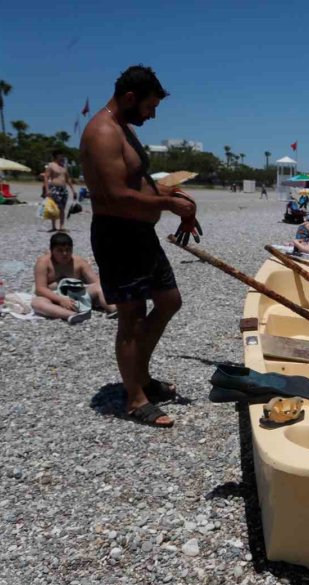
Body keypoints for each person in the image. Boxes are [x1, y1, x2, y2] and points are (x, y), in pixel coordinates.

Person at [80, 65, 198, 428]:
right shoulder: (102, 132)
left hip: (140, 235)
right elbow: (114, 196)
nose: (152, 115)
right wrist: (166, 205)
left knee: (169, 300)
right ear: (130, 98)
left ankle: (140, 376)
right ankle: (135, 398)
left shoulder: (124, 130)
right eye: (149, 107)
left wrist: (172, 196)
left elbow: (138, 182)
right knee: (131, 316)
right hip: (118, 236)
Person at [31, 232, 117, 324]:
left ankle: (113, 309)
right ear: (52, 251)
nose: (65, 253)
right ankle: (72, 314)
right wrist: (61, 300)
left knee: (99, 287)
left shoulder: (79, 262)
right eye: (60, 250)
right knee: (36, 303)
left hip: (78, 294)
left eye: (68, 250)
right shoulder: (43, 263)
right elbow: (40, 289)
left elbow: (96, 282)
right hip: (53, 296)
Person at [44, 149, 77, 232]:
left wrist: (73, 190)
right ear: (56, 156)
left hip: (63, 189)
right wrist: (47, 190)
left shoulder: (63, 167)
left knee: (62, 208)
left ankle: (61, 226)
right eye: (61, 155)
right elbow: (46, 177)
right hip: (54, 188)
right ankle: (53, 226)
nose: (62, 157)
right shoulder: (51, 165)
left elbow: (68, 179)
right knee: (55, 207)